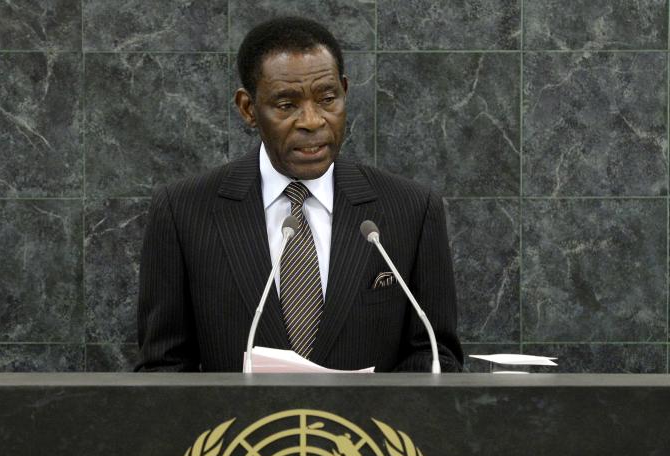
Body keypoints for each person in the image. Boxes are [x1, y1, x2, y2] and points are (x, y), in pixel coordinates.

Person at [135, 16, 463, 372]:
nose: (312, 120)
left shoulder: (410, 209)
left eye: (327, 99)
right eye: (287, 105)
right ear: (248, 109)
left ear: (345, 91)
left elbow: (434, 355)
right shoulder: (184, 211)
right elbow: (163, 368)